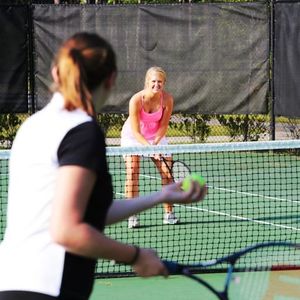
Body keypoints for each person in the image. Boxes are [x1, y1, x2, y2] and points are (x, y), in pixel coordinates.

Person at [0, 32, 207, 300]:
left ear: (55, 72)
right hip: (52, 287)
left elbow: (82, 214)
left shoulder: (31, 127)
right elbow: (67, 230)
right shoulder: (82, 133)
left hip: (9, 280)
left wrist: (161, 196)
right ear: (110, 80)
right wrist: (135, 256)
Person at [121, 66, 177, 228]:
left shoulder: (167, 99)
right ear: (147, 82)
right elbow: (136, 132)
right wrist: (150, 149)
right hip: (133, 137)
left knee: (167, 173)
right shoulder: (136, 100)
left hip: (156, 137)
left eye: (160, 82)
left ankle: (169, 214)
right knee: (132, 171)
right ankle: (132, 215)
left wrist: (156, 144)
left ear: (164, 83)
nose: (156, 85)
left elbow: (164, 126)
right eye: (153, 81)